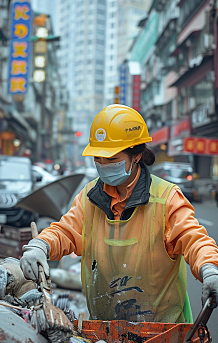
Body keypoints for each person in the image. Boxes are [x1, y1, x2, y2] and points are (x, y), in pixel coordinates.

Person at [20, 105, 218, 322]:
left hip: (162, 333)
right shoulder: (89, 197)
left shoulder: (167, 198)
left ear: (136, 155)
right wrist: (42, 245)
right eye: (98, 158)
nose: (103, 165)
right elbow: (65, 232)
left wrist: (210, 269)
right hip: (104, 330)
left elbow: (194, 240)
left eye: (112, 158)